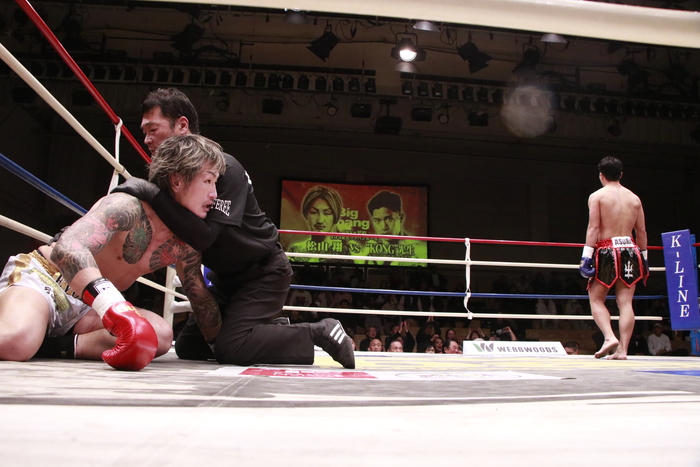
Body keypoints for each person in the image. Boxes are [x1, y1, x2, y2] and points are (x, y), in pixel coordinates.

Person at [113, 87, 354, 369]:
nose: (146, 139)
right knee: (189, 346)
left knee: (232, 349)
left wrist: (150, 193)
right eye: (144, 132)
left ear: (182, 125)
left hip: (262, 273)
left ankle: (320, 331)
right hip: (227, 280)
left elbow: (205, 237)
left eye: (153, 129)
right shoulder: (170, 180)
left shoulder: (223, 169)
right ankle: (267, 331)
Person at [0, 134, 226, 370]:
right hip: (47, 282)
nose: (214, 194)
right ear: (177, 181)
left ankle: (50, 346)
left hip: (88, 310)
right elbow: (67, 249)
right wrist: (113, 305)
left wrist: (223, 347)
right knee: (15, 342)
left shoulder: (185, 242)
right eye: (208, 181)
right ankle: (26, 334)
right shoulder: (126, 207)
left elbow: (198, 295)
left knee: (158, 335)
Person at [579, 156, 648, 360]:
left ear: (601, 175)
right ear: (621, 175)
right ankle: (623, 350)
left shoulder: (597, 196)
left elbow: (593, 228)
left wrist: (586, 256)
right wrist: (644, 258)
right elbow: (641, 232)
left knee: (596, 299)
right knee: (625, 303)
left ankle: (609, 337)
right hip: (630, 249)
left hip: (607, 249)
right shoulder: (634, 199)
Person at [362, 190, 427, 265]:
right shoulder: (369, 249)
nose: (384, 227)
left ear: (401, 218)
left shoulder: (420, 249)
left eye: (389, 219)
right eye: (377, 220)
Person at [287, 185, 348, 261]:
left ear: (335, 216)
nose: (320, 220)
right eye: (314, 212)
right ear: (306, 214)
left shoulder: (344, 251)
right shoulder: (296, 250)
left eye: (327, 213)